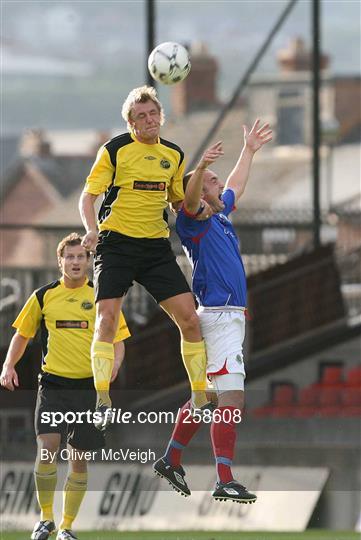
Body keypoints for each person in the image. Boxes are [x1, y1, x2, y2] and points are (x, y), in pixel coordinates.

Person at [79, 86, 220, 421]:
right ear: (131, 122)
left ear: (161, 116)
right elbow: (87, 197)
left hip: (155, 247)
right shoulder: (114, 150)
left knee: (189, 317)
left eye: (153, 113)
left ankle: (199, 394)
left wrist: (197, 207)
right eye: (140, 116)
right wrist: (91, 229)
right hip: (116, 245)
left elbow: (176, 202)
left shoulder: (173, 154)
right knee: (107, 320)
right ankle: (101, 398)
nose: (149, 120)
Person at [153, 119, 272, 504]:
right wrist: (200, 168)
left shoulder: (220, 215)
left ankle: (171, 458)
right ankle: (224, 477)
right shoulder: (194, 222)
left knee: (205, 398)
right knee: (232, 400)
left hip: (226, 317)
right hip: (220, 316)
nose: (221, 184)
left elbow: (236, 183)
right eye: (212, 181)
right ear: (200, 192)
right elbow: (186, 203)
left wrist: (249, 150)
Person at [0, 233, 130, 540]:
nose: (75, 262)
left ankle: (67, 527)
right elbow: (22, 335)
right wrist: (8, 365)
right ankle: (45, 520)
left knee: (78, 458)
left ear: (87, 261)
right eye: (69, 257)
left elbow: (119, 340)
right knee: (46, 450)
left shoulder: (103, 298)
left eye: (80, 257)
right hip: (53, 385)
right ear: (60, 262)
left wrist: (114, 365)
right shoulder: (43, 296)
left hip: (88, 389)